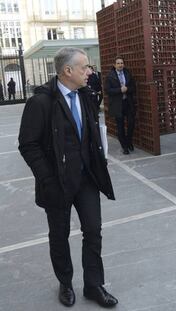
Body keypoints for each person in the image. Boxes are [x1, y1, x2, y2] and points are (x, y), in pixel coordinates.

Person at [18, 47, 118, 308]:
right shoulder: (41, 102)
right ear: (68, 71)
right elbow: (28, 144)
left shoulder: (86, 96)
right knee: (59, 236)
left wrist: (99, 160)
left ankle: (94, 285)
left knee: (93, 232)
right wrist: (47, 178)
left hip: (86, 179)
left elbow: (91, 134)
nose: (89, 71)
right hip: (57, 183)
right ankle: (65, 282)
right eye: (85, 67)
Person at [104, 56, 136, 154]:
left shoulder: (128, 73)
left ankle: (129, 141)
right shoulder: (110, 76)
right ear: (114, 65)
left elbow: (133, 87)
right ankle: (124, 146)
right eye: (118, 63)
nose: (120, 65)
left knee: (131, 123)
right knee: (120, 126)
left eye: (121, 63)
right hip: (117, 104)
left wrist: (127, 89)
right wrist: (119, 90)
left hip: (128, 103)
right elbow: (107, 90)